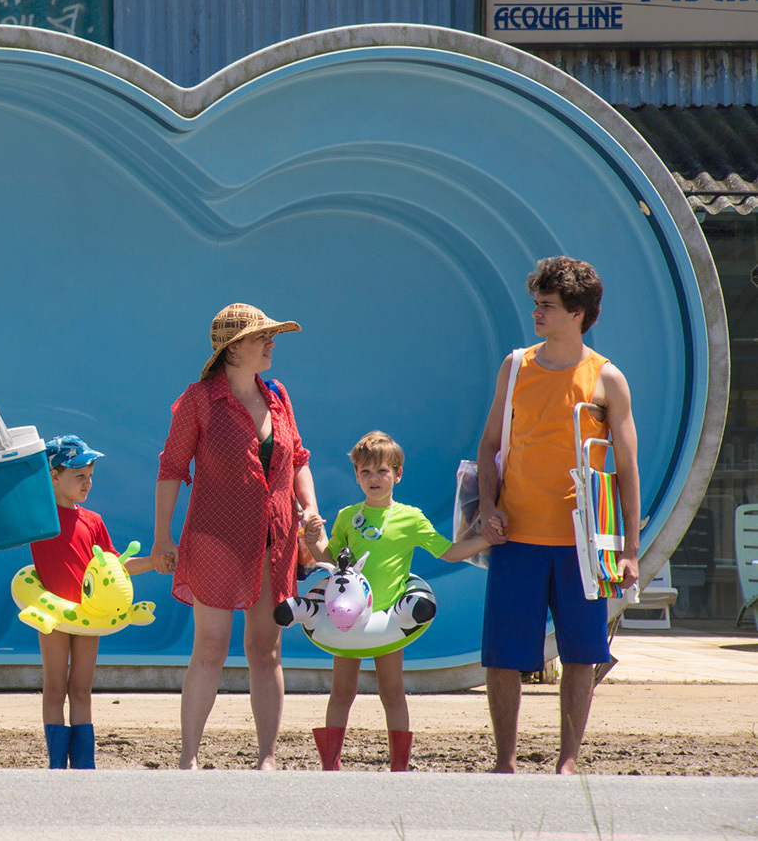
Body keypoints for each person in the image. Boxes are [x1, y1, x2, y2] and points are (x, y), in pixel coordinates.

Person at [474, 257, 639, 775]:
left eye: (547, 306)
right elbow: (487, 449)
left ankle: (568, 762)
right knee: (502, 657)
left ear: (578, 314)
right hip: (516, 536)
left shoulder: (607, 378)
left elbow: (628, 469)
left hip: (582, 544)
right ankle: (504, 761)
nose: (536, 312)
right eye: (537, 302)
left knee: (581, 655)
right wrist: (487, 506)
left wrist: (630, 550)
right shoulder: (515, 365)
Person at [153, 302, 322, 771]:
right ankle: (188, 758)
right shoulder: (199, 399)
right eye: (261, 337)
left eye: (272, 336)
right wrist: (161, 537)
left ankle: (266, 759)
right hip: (216, 536)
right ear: (232, 349)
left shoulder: (277, 394)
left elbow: (299, 459)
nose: (271, 343)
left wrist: (310, 508)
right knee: (210, 645)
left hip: (276, 536)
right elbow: (171, 467)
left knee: (265, 649)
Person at [295, 431, 501, 771]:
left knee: (392, 692)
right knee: (341, 692)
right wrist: (314, 539)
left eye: (382, 471)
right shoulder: (348, 517)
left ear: (398, 473)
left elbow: (448, 551)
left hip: (388, 621)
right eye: (365, 472)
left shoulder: (411, 518)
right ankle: (329, 765)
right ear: (356, 475)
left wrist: (484, 540)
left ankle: (399, 767)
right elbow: (330, 562)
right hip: (349, 620)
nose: (374, 479)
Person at [29, 435, 154, 770]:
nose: (88, 482)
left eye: (90, 475)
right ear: (54, 477)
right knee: (55, 688)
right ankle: (57, 766)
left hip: (90, 615)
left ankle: (85, 768)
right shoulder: (39, 515)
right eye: (78, 475)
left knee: (81, 690)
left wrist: (154, 562)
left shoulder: (94, 521)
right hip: (53, 615)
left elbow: (117, 567)